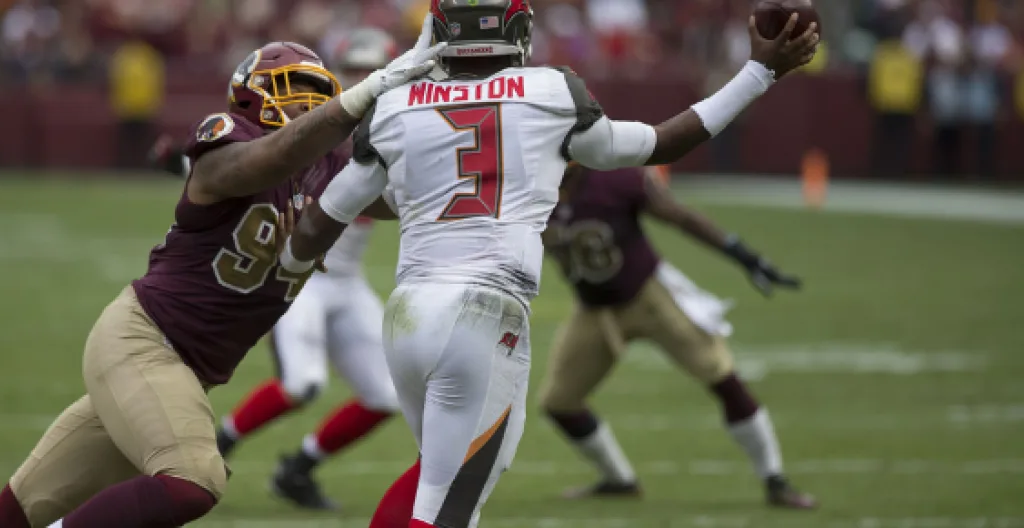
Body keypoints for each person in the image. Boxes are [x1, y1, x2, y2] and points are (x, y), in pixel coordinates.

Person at [279, 1, 818, 526]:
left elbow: (321, 222)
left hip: (406, 316)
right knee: (450, 503)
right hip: (482, 315)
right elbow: (662, 143)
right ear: (516, 30)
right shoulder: (550, 91)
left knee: (436, 478)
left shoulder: (396, 105)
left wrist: (294, 258)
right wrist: (757, 74)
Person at [0, 23, 443, 528]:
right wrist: (355, 99)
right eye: (298, 91)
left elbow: (404, 198)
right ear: (256, 94)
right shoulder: (228, 135)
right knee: (193, 479)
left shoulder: (325, 165)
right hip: (144, 341)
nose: (309, 105)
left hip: (179, 369)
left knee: (15, 511)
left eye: (319, 95)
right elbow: (267, 159)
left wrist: (438, 126)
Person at [539, 164, 816, 509]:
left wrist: (744, 256)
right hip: (595, 309)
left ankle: (776, 481)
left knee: (722, 377)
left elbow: (681, 217)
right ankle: (619, 481)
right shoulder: (526, 189)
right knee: (559, 401)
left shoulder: (615, 179)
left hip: (651, 297)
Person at [214, 27, 402, 511]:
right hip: (300, 279)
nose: (363, 78)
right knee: (302, 384)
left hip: (347, 282)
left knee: (388, 395)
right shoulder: (315, 126)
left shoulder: (398, 125)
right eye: (354, 69)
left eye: (371, 69)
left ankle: (297, 470)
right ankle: (217, 445)